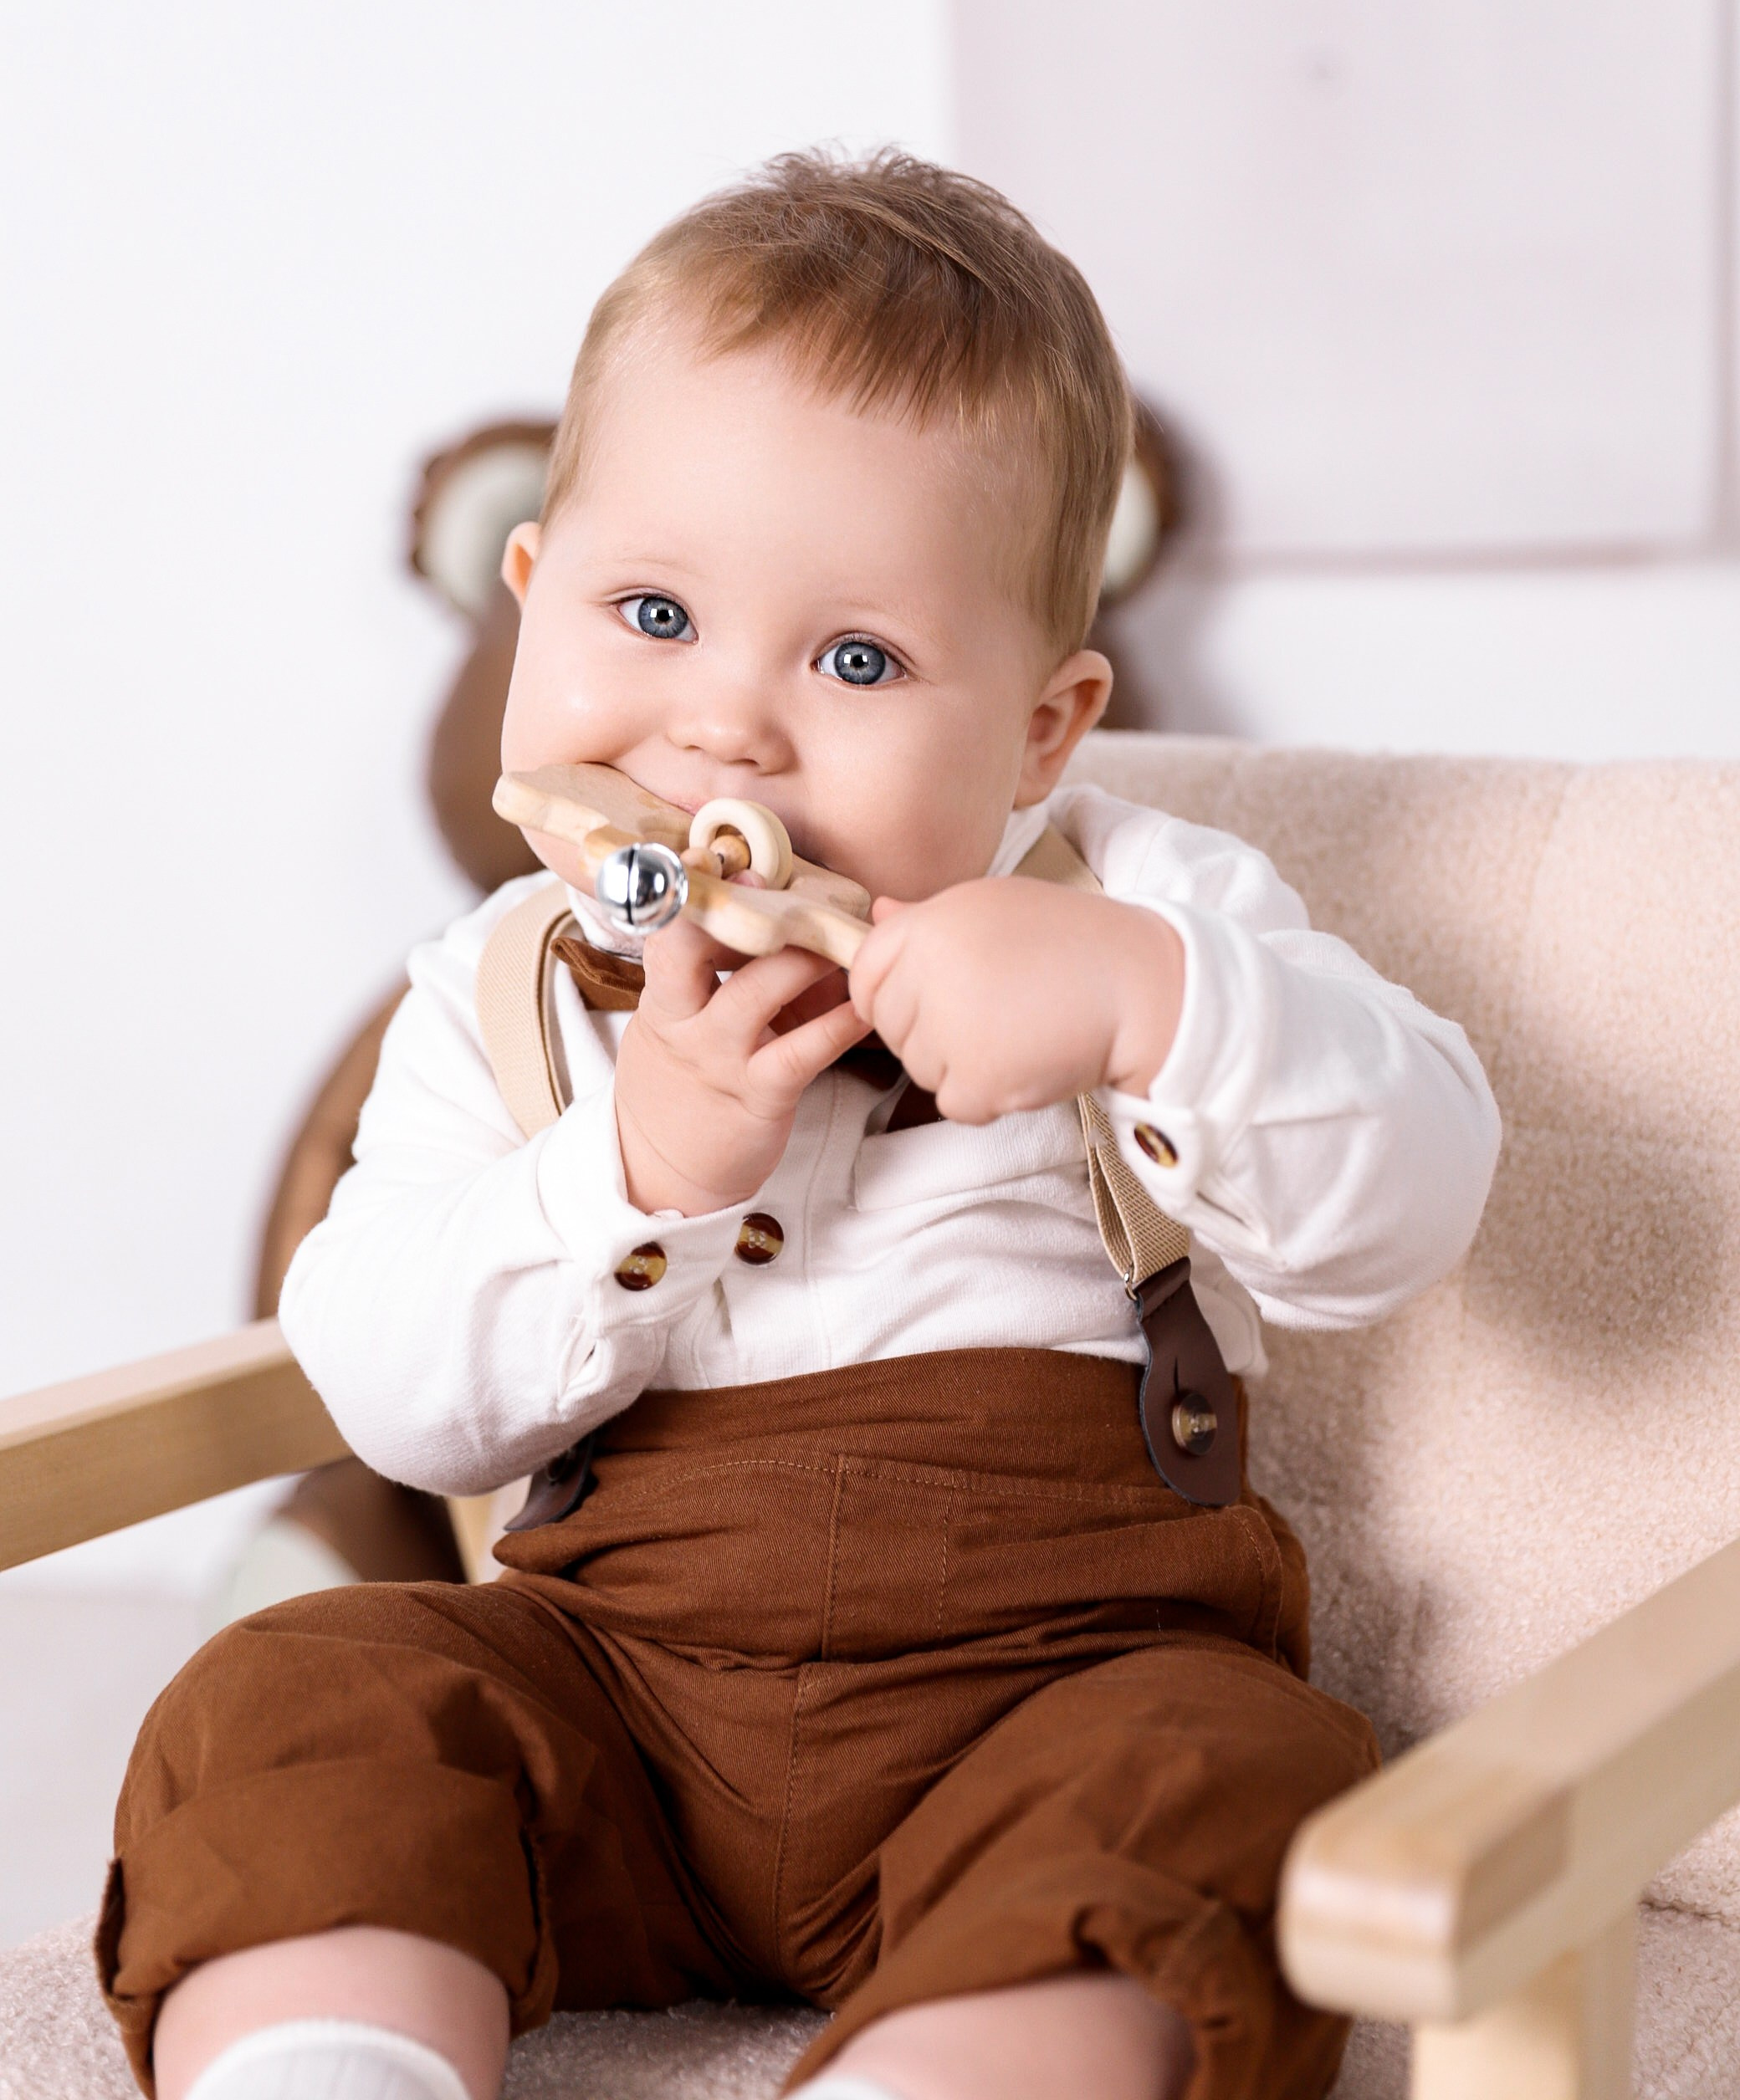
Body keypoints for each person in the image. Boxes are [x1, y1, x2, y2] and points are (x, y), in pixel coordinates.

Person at [101, 151, 1500, 2100]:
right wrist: (634, 1171)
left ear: (1038, 725)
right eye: (650, 611)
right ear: (529, 603)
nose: (726, 731)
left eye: (855, 663)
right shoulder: (502, 986)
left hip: (1047, 1702)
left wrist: (1143, 1004)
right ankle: (329, 2066)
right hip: (617, 1722)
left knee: (1223, 1778)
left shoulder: (1142, 904)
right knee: (308, 1694)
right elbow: (394, 1391)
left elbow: (1412, 1196)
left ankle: (949, 2068)